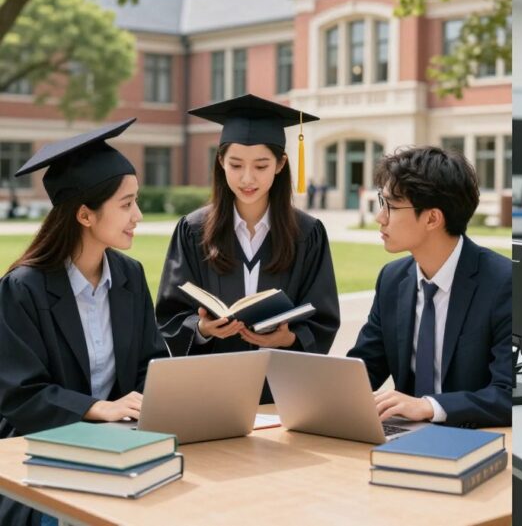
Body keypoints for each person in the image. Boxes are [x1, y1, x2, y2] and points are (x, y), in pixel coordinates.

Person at [0, 120, 168, 525]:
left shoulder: (129, 276)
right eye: (126, 204)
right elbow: (20, 395)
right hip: (42, 456)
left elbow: (150, 364)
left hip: (122, 448)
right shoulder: (22, 289)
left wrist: (149, 405)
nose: (138, 215)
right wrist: (98, 409)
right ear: (85, 215)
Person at [156, 94, 340, 403]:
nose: (247, 178)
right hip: (212, 391)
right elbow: (169, 315)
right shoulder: (193, 230)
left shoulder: (307, 234)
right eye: (236, 164)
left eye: (261, 165)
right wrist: (202, 328)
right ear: (220, 162)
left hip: (282, 393)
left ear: (281, 164)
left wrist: (290, 337)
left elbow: (322, 318)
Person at [347, 147, 512, 428]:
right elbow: (363, 370)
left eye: (391, 206)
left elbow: (508, 393)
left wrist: (429, 407)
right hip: (403, 436)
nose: (380, 218)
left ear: (433, 218)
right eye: (381, 202)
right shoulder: (392, 279)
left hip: (474, 439)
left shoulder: (503, 282)